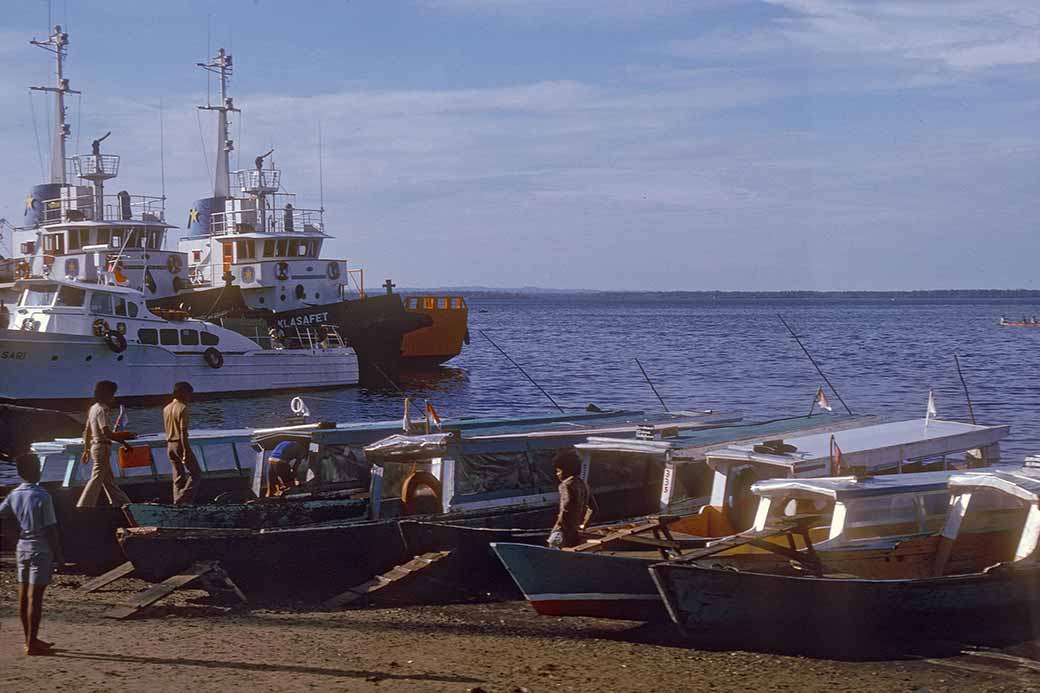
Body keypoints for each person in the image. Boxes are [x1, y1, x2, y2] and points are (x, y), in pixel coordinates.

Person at [1, 454, 65, 655]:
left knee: (23, 595)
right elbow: (51, 529)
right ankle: (32, 642)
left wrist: (12, 537)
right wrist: (59, 554)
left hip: (22, 547)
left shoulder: (14, 494)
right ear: (36, 470)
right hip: (41, 548)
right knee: (35, 598)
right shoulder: (43, 495)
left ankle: (29, 639)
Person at [77, 380, 134, 508]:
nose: (113, 398)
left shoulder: (93, 408)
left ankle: (123, 504)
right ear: (107, 395)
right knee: (97, 477)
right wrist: (126, 437)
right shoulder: (102, 410)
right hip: (102, 447)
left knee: (109, 480)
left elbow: (87, 431)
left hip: (94, 446)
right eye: (112, 395)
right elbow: (107, 433)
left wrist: (86, 450)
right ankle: (84, 505)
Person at [547, 449, 598, 548]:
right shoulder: (584, 485)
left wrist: (558, 528)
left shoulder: (566, 485)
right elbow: (594, 509)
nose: (557, 474)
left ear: (565, 470)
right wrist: (584, 525)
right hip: (575, 531)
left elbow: (567, 507)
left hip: (563, 530)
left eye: (558, 471)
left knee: (552, 549)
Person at [163, 382, 201, 505]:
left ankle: (177, 502)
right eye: (189, 394)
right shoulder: (183, 408)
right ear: (184, 394)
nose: (189, 398)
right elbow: (183, 432)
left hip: (169, 445)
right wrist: (186, 450)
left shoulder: (166, 408)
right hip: (180, 444)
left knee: (178, 476)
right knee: (196, 473)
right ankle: (183, 499)